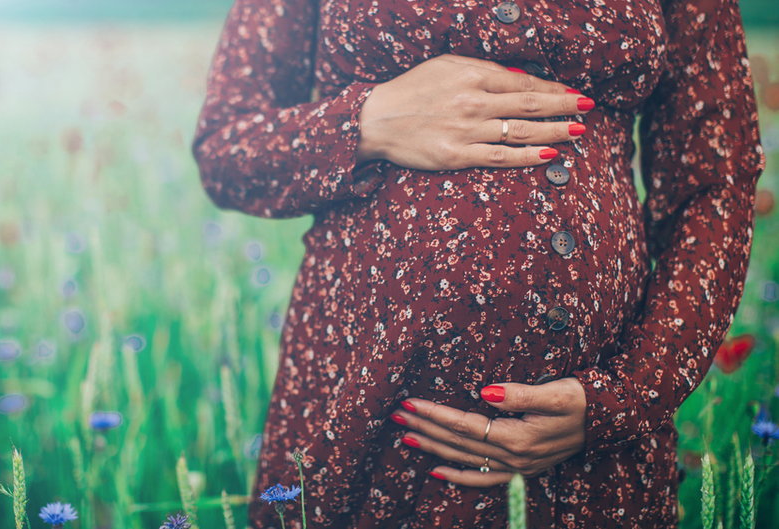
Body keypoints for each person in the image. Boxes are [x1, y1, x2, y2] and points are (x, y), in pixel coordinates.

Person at [191, 0, 766, 527]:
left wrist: (629, 394)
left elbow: (714, 181)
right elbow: (226, 151)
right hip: (367, 412)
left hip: (585, 450)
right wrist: (366, 122)